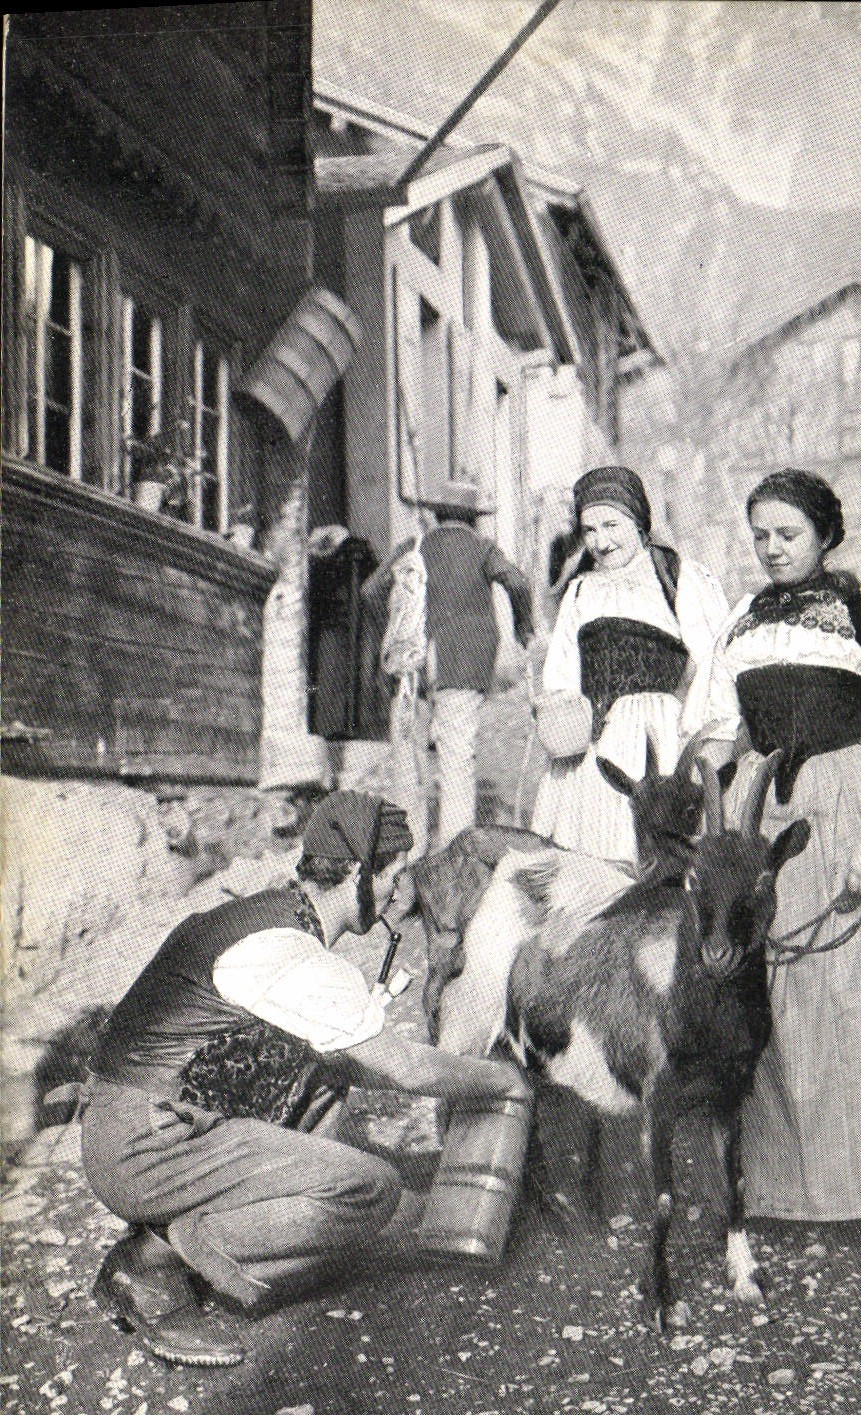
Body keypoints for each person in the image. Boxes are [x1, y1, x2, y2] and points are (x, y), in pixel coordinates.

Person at [81, 790, 530, 1367]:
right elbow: (410, 1069)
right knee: (370, 1189)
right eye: (394, 874)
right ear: (360, 875)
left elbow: (354, 1061)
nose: (400, 893)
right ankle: (158, 1260)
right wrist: (503, 1080)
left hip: (136, 1123)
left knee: (325, 1073)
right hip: (145, 1144)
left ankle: (187, 1230)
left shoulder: (265, 914)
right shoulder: (291, 953)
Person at [681, 469, 861, 1253]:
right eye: (760, 536)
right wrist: (699, 794)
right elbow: (719, 732)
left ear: (822, 535)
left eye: (788, 534)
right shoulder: (741, 620)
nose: (772, 549)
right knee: (774, 998)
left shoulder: (860, 610)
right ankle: (782, 1189)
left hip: (848, 807)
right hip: (763, 819)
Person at [531, 465, 730, 866]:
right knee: (590, 865)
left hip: (660, 743)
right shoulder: (581, 591)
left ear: (638, 522)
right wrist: (558, 710)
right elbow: (561, 672)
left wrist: (705, 741)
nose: (601, 542)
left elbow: (715, 665)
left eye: (611, 525)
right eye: (590, 531)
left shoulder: (678, 578)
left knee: (657, 860)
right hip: (591, 753)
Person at [363, 482, 534, 856]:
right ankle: (454, 853)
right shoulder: (481, 548)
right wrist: (524, 628)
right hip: (464, 663)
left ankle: (411, 851)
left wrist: (391, 630)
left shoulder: (415, 547)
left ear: (436, 514)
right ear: (474, 519)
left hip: (414, 665)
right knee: (457, 759)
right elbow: (517, 581)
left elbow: (371, 591)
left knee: (410, 760)